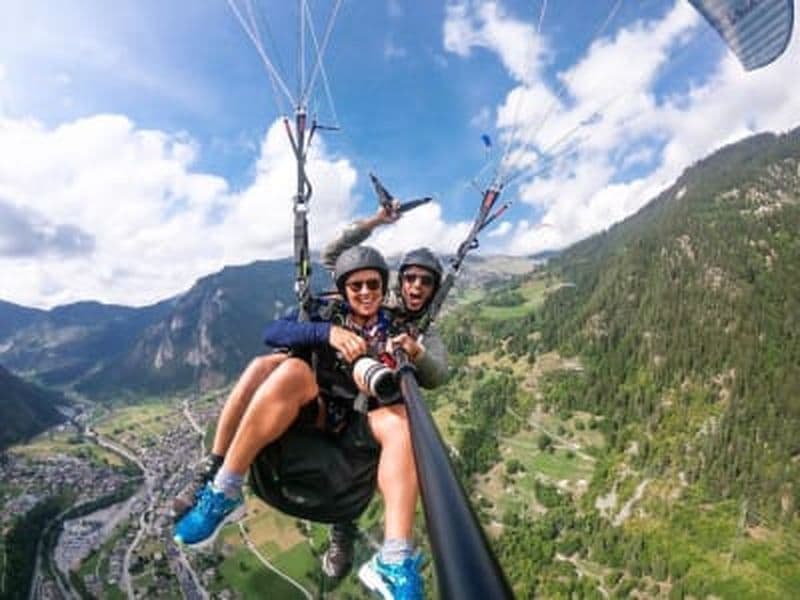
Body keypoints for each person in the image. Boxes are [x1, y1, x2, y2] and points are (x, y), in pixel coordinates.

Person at [173, 246, 428, 598]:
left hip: (361, 423)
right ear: (343, 289)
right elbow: (274, 332)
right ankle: (224, 487)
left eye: (373, 284)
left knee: (402, 421)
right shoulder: (325, 312)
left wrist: (410, 356)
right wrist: (326, 334)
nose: (366, 293)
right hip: (316, 407)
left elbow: (431, 372)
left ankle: (394, 558)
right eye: (356, 286)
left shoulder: (397, 329)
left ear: (384, 287)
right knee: (288, 367)